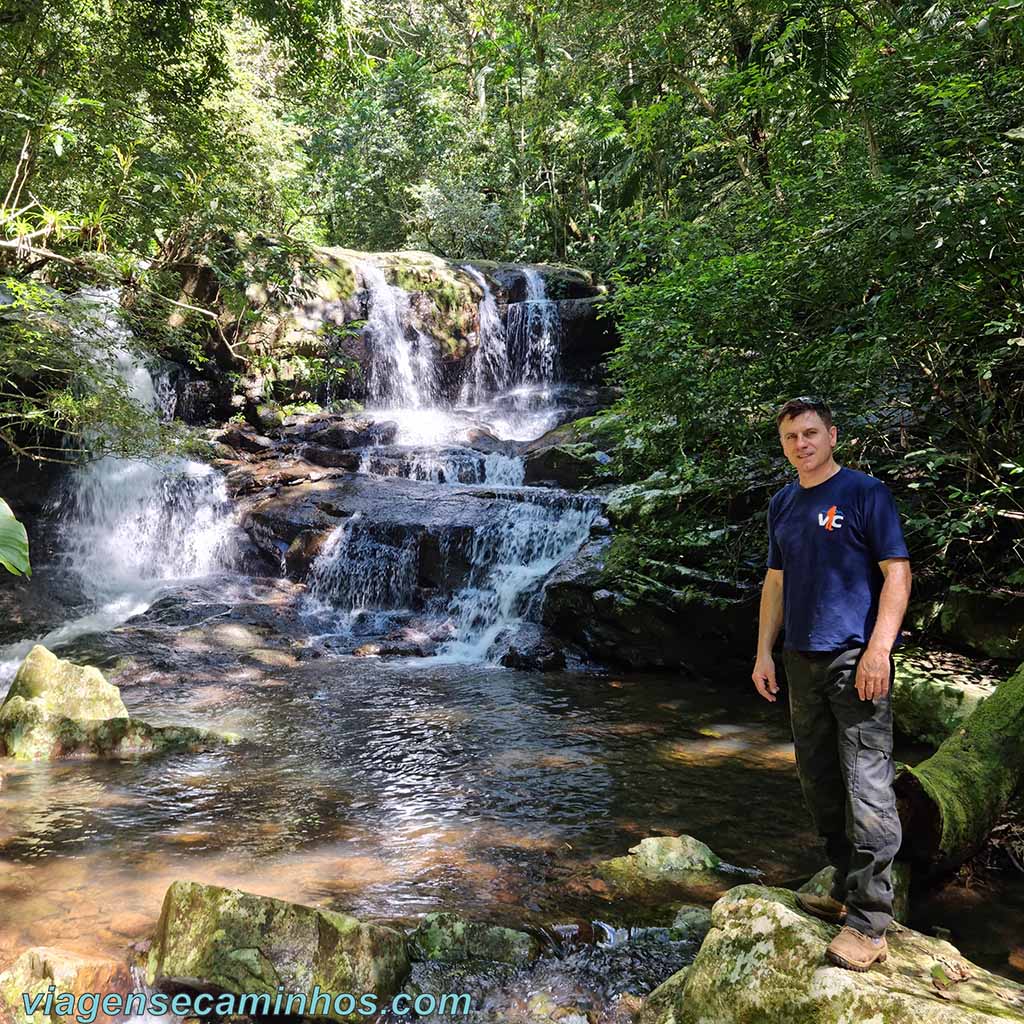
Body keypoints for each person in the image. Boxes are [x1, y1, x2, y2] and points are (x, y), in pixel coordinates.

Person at [751, 396, 912, 972]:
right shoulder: (783, 503)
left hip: (853, 659)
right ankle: (849, 887)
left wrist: (878, 651)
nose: (802, 444)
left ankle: (871, 923)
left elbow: (898, 573)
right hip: (799, 660)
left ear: (833, 436)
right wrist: (763, 652)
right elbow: (776, 581)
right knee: (818, 783)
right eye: (792, 436)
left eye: (811, 433)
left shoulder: (866, 494)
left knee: (867, 783)